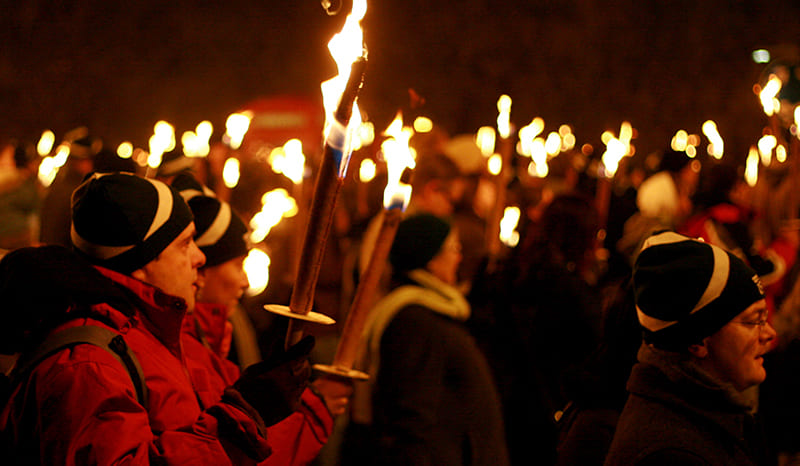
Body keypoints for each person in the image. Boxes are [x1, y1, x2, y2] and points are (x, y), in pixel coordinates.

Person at [0, 172, 312, 464]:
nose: (199, 257)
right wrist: (244, 418)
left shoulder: (148, 334)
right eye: (185, 243)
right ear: (142, 261)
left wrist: (263, 398)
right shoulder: (86, 366)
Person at [173, 173, 352, 465]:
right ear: (200, 268)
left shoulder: (225, 330)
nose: (244, 280)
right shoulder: (181, 348)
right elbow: (229, 446)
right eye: (236, 264)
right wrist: (313, 409)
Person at [349, 213, 509, 466]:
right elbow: (412, 417)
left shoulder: (429, 311)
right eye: (454, 249)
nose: (459, 257)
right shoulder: (415, 321)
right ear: (431, 259)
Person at [604, 231, 775, 465]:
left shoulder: (714, 415)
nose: (769, 334)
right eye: (753, 320)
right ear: (698, 341)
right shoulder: (669, 454)